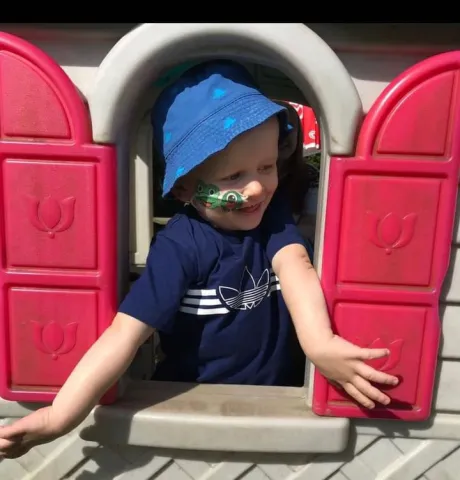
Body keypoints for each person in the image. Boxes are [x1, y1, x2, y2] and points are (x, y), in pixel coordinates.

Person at [0, 60, 398, 459]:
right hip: (194, 405)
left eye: (266, 166)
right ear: (187, 186)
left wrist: (319, 344)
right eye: (233, 177)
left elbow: (296, 265)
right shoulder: (180, 244)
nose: (258, 186)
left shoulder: (270, 219)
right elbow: (125, 333)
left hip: (278, 402)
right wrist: (60, 416)